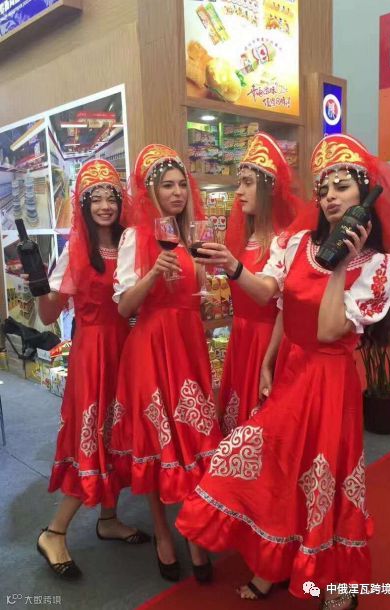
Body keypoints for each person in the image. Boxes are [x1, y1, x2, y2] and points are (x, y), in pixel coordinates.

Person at [176, 133, 390, 607]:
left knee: (324, 477)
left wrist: (339, 265)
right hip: (291, 371)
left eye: (343, 187)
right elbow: (275, 300)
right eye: (324, 189)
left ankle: (335, 580)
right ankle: (273, 564)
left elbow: (329, 329)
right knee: (270, 464)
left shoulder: (380, 266)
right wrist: (236, 275)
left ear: (365, 196)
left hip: (330, 381)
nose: (330, 197)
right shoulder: (296, 243)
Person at [109, 144, 223, 583]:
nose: (176, 192)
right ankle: (162, 533)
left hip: (189, 347)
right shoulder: (135, 238)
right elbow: (125, 308)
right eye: (167, 186)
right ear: (151, 193)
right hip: (151, 348)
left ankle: (193, 532)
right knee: (158, 445)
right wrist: (154, 272)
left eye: (181, 185)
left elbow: (199, 297)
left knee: (194, 441)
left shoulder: (194, 235)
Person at [36, 160, 149, 580]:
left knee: (116, 433)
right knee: (92, 436)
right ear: (83, 207)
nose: (104, 205)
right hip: (93, 353)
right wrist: (39, 284)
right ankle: (54, 532)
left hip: (127, 349)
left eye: (111, 197)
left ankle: (108, 518)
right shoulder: (76, 250)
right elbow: (49, 315)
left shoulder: (131, 244)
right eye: (95, 199)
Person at [218, 132, 302, 434]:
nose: (239, 192)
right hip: (241, 336)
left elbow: (267, 294)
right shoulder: (247, 239)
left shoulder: (285, 242)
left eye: (248, 183)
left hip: (266, 339)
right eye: (239, 183)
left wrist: (232, 265)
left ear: (268, 189)